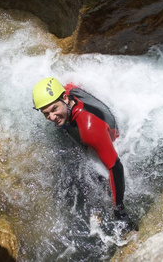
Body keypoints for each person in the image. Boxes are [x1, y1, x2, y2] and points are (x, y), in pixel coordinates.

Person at [32, 77, 136, 229]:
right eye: (46, 114)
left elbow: (115, 167)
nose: (52, 117)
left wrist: (119, 209)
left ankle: (100, 216)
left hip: (105, 137)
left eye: (54, 109)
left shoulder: (89, 128)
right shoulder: (66, 90)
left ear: (65, 99)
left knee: (89, 182)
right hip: (90, 125)